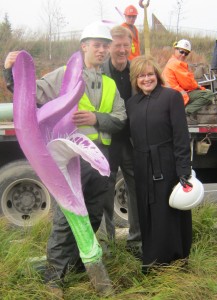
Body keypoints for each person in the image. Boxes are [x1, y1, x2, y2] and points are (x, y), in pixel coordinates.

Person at [3, 22, 127, 297]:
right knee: (64, 220)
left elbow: (120, 118)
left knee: (93, 217)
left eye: (105, 45)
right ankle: (54, 279)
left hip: (99, 160)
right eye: (97, 45)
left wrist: (97, 119)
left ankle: (77, 267)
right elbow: (29, 93)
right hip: (69, 161)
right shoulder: (63, 75)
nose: (102, 50)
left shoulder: (109, 84)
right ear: (84, 46)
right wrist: (9, 71)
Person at [126, 55, 193, 273]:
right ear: (135, 80)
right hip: (141, 165)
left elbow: (181, 137)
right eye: (141, 75)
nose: (146, 79)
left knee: (168, 213)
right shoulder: (131, 104)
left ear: (157, 74)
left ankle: (174, 261)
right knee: (147, 214)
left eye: (150, 74)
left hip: (167, 164)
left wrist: (184, 171)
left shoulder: (171, 97)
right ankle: (152, 260)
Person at [101, 25, 141, 256]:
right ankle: (108, 245)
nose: (123, 50)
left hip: (131, 141)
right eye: (118, 45)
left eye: (127, 45)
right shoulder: (100, 73)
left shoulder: (136, 71)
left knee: (136, 190)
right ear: (109, 47)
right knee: (105, 191)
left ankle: (136, 242)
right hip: (107, 141)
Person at [162, 39, 214, 125]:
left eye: (186, 53)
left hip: (171, 95)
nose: (183, 55)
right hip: (176, 95)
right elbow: (188, 83)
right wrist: (200, 88)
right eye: (181, 52)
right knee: (208, 94)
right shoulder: (177, 64)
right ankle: (186, 113)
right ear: (175, 49)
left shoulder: (171, 62)